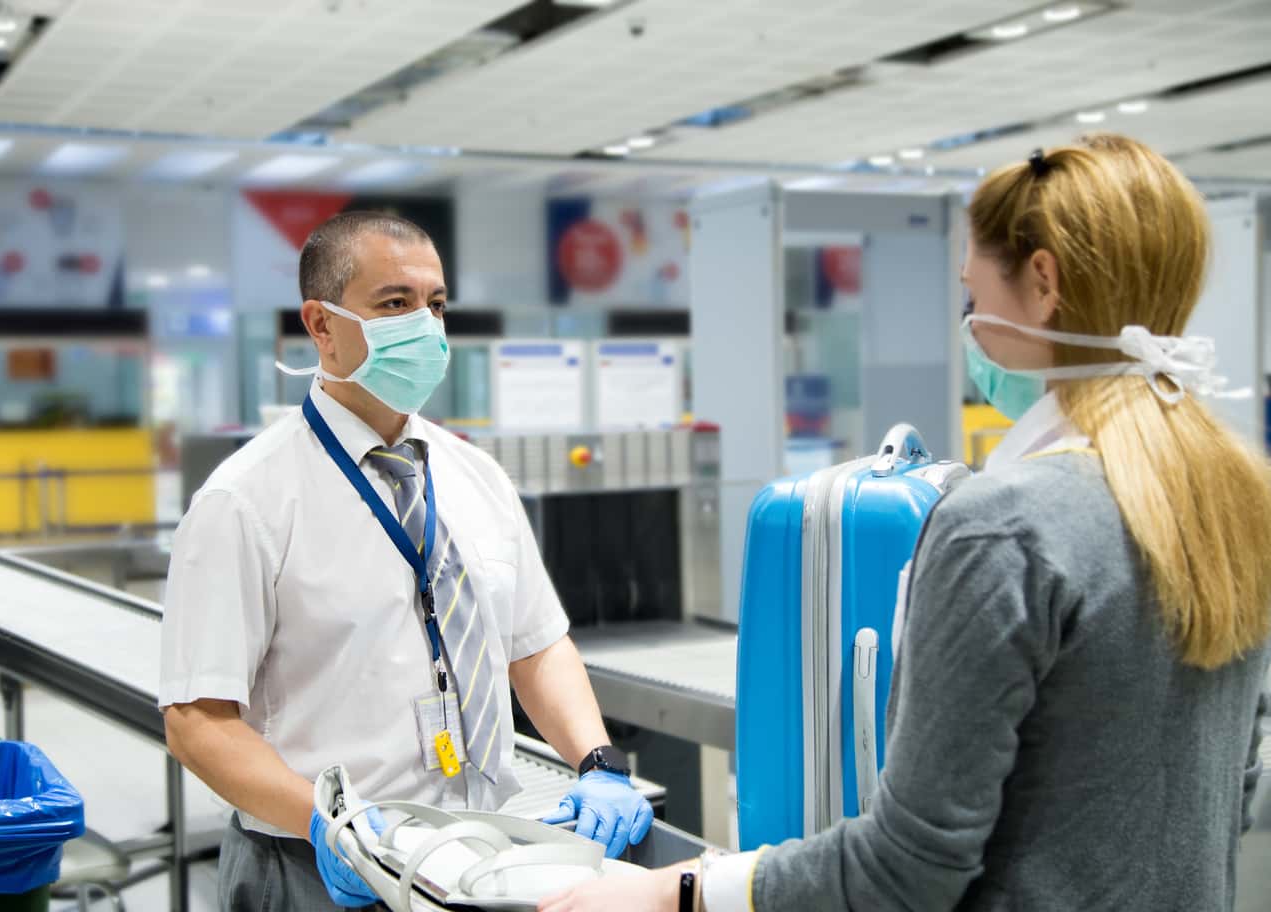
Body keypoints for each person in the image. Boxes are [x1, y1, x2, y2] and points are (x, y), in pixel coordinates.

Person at [540, 134, 1271, 912]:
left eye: (972, 295)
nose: (971, 323)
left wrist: (674, 893)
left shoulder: (1005, 525)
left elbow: (912, 864)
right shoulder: (1232, 498)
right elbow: (1237, 783)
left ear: (1044, 279)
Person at [159, 211, 652, 909]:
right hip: (316, 869)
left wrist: (597, 762)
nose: (426, 326)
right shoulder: (246, 501)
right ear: (321, 325)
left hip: (480, 854)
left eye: (436, 304)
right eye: (395, 304)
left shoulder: (476, 476)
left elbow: (537, 645)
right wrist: (330, 825)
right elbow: (197, 721)